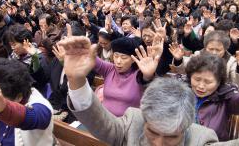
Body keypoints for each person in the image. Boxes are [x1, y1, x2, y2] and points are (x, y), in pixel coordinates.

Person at [57, 34, 239, 146]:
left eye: (171, 137)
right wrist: (76, 79)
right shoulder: (132, 124)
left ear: (185, 127)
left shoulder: (201, 139)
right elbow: (97, 120)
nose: (159, 144)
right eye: (152, 132)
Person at [186, 53, 239, 141]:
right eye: (197, 79)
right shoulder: (180, 89)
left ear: (219, 82)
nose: (201, 86)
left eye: (208, 82)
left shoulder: (227, 96)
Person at [170, 30, 239, 85]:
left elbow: (235, 83)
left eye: (218, 50)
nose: (214, 53)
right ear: (205, 47)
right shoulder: (198, 55)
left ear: (225, 49)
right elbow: (184, 71)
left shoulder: (231, 61)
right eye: (211, 49)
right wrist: (178, 60)